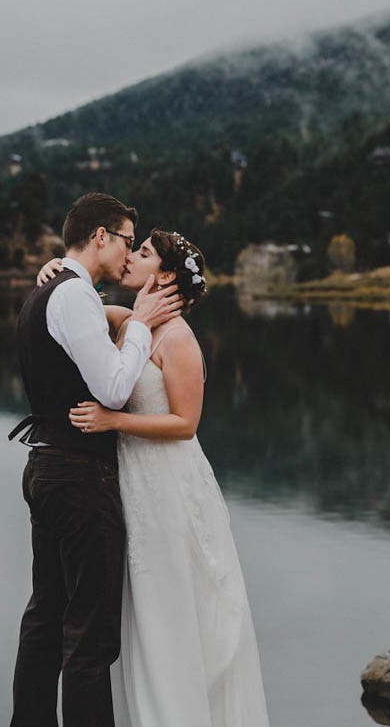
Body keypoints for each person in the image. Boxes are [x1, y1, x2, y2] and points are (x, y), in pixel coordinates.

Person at [39, 228, 270, 727]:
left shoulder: (179, 337)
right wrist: (53, 275)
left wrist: (113, 421)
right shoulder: (129, 321)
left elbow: (185, 425)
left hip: (169, 489)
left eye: (142, 252)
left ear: (164, 275)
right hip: (133, 485)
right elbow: (69, 309)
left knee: (171, 606)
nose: (130, 256)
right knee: (141, 612)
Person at [9, 194, 183, 727]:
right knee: (89, 632)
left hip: (50, 468)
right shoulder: (71, 296)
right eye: (129, 240)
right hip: (78, 477)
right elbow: (111, 388)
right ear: (102, 236)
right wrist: (139, 325)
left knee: (48, 616)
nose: (130, 253)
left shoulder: (55, 288)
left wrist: (133, 318)